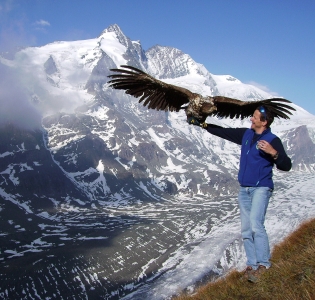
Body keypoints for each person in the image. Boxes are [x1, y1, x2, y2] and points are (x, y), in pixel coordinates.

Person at [187, 105, 292, 282]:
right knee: (246, 229)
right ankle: (251, 265)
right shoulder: (247, 134)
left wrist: (273, 153)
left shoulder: (272, 140)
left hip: (261, 188)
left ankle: (264, 265)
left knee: (256, 225)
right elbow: (224, 132)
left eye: (255, 117)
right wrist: (202, 125)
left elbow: (286, 165)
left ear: (264, 122)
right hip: (244, 189)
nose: (251, 119)